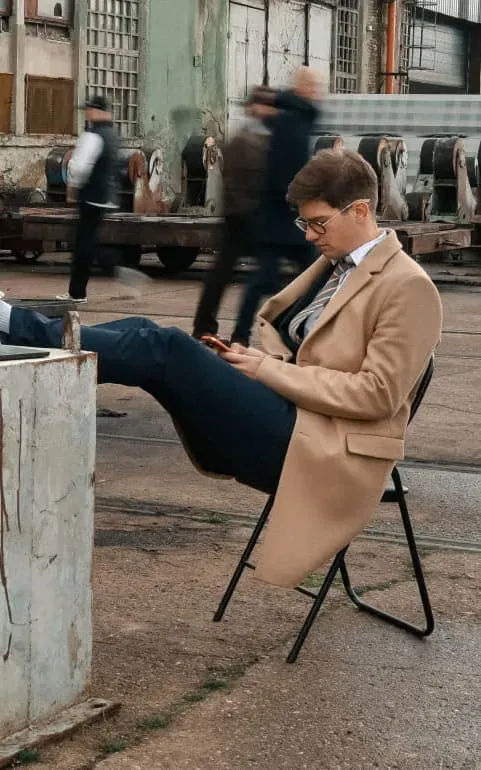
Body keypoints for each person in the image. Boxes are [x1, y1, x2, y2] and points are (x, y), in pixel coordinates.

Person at [0, 149, 442, 588]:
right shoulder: (336, 266)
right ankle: (22, 338)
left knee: (167, 347)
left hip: (323, 451)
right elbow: (313, 357)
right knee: (144, 331)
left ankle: (15, 328)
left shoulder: (408, 288)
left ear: (360, 210)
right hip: (294, 418)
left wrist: (267, 372)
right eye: (304, 223)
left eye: (318, 223)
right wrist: (260, 361)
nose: (309, 236)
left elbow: (377, 395)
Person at [231, 66, 322, 345]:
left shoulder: (295, 118)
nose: (319, 92)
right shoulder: (292, 122)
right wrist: (300, 203)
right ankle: (299, 334)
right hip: (285, 217)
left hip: (280, 218)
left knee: (268, 280)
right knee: (315, 276)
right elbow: (283, 173)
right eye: (314, 86)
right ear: (302, 88)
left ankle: (244, 335)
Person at [192, 86, 277, 340]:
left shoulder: (267, 138)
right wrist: (245, 210)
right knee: (223, 275)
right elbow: (232, 182)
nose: (268, 109)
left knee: (257, 276)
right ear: (253, 107)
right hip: (240, 218)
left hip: (254, 217)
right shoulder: (244, 139)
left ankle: (234, 331)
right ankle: (207, 327)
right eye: (263, 104)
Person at [56, 95, 119, 303]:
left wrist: (73, 187)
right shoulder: (112, 134)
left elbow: (80, 167)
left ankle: (77, 293)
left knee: (83, 246)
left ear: (97, 111)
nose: (87, 113)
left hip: (90, 196)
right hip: (104, 197)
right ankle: (114, 269)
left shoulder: (92, 135)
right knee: (90, 242)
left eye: (90, 109)